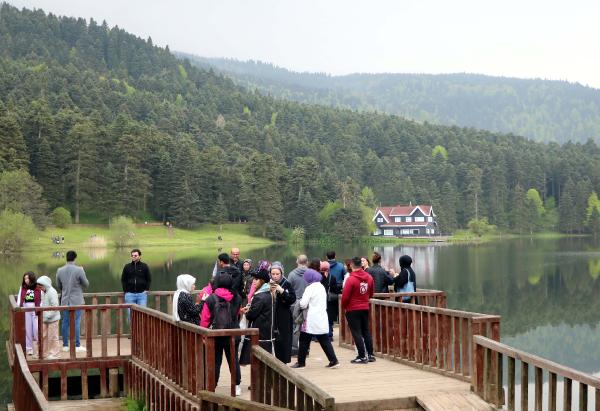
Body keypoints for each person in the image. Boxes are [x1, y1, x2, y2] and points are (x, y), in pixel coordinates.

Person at [200, 274, 243, 396]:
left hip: (216, 335)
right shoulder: (237, 298)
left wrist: (203, 334)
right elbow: (237, 316)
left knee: (215, 361)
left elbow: (205, 319)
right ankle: (237, 385)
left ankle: (212, 386)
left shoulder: (210, 299)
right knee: (233, 360)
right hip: (233, 334)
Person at [291, 268, 340, 369]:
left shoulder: (310, 288)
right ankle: (333, 360)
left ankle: (301, 362)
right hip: (321, 317)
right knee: (324, 340)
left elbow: (303, 304)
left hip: (310, 318)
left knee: (304, 340)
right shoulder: (321, 287)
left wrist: (298, 303)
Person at [341, 257, 375, 364]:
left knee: (356, 333)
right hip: (365, 307)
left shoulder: (351, 279)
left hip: (353, 308)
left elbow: (345, 297)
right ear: (361, 265)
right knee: (366, 331)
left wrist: (344, 307)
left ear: (351, 265)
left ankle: (361, 356)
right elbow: (371, 292)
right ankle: (370, 354)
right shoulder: (369, 277)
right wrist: (364, 300)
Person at [56, 251, 89, 352]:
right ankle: (77, 345)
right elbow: (86, 284)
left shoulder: (59, 270)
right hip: (77, 300)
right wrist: (83, 271)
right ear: (75, 258)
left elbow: (59, 286)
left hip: (65, 300)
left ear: (66, 258)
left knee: (65, 323)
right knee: (76, 322)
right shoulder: (79, 270)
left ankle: (65, 345)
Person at [269, 262, 296, 364]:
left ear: (281, 273)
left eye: (277, 274)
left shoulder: (286, 283)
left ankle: (284, 361)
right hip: (272, 315)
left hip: (284, 315)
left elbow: (292, 299)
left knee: (284, 339)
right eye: (273, 274)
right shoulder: (268, 284)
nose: (275, 276)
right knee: (274, 339)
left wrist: (282, 291)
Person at [243, 268, 275, 353]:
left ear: (262, 281)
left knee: (257, 358)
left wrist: (247, 312)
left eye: (256, 279)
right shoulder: (268, 293)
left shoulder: (260, 296)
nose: (254, 281)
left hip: (259, 330)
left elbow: (252, 315)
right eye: (253, 279)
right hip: (266, 329)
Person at [121, 249, 151, 320]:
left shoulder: (144, 266)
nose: (133, 257)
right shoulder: (127, 267)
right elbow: (123, 279)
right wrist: (125, 291)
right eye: (132, 256)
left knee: (143, 316)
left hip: (142, 295)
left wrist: (146, 289)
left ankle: (142, 331)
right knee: (130, 317)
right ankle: (132, 331)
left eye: (135, 255)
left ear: (139, 256)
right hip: (129, 295)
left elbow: (148, 279)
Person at [17, 272, 42, 355]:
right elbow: (19, 299)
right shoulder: (23, 288)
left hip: (35, 310)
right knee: (28, 329)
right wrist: (18, 308)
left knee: (36, 329)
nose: (26, 280)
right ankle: (29, 348)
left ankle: (40, 347)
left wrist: (40, 308)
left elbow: (41, 300)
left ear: (32, 278)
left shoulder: (38, 288)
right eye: (25, 278)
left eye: (27, 278)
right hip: (26, 310)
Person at [287, 254, 308, 354]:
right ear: (307, 262)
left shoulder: (291, 274)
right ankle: (306, 349)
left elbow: (288, 288)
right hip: (307, 303)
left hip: (294, 303)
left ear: (297, 261)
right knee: (306, 326)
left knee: (295, 325)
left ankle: (294, 348)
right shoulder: (311, 274)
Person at [36, 276, 61, 359]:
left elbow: (55, 306)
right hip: (45, 318)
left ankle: (55, 354)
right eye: (39, 287)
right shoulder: (43, 292)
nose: (40, 288)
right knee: (43, 336)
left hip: (53, 318)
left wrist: (47, 315)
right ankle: (43, 352)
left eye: (41, 287)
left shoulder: (52, 292)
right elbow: (43, 303)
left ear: (45, 285)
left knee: (53, 336)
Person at [320, 261, 341, 341]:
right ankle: (329, 335)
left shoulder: (318, 277)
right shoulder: (332, 277)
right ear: (328, 269)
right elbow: (335, 290)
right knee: (329, 319)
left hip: (320, 301)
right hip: (330, 301)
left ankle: (320, 336)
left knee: (321, 318)